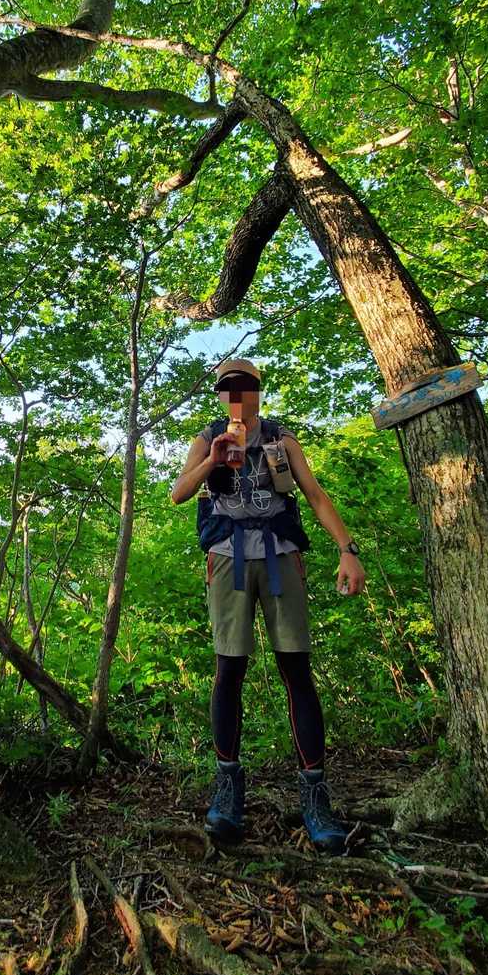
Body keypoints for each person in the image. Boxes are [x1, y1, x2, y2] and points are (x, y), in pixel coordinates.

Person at [170, 358, 366, 853]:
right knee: (229, 669)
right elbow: (179, 494)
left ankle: (315, 795)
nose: (238, 397)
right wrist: (213, 459)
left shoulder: (282, 438)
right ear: (220, 395)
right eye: (228, 388)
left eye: (246, 387)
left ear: (258, 391)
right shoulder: (207, 437)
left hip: (280, 554)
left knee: (296, 669)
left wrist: (347, 550)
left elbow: (314, 494)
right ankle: (228, 788)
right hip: (227, 557)